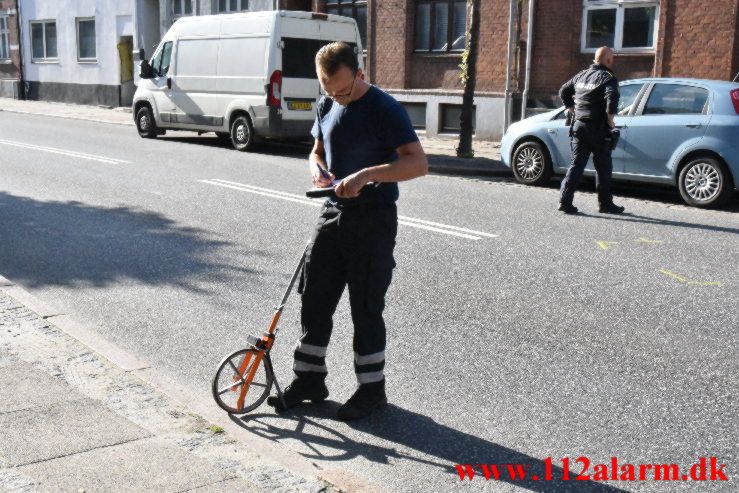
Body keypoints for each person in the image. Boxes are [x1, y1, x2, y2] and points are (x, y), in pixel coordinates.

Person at [266, 42, 428, 420]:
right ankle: (309, 381)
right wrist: (316, 167)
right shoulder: (326, 103)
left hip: (373, 219)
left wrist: (367, 174)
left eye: (342, 89)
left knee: (365, 307)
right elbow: (317, 150)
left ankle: (372, 390)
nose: (336, 96)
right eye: (327, 88)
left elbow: (418, 163)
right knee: (315, 299)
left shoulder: (384, 109)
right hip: (332, 212)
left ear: (359, 73)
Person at [558, 46, 625, 215]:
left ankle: (565, 201)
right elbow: (612, 97)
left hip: (579, 126)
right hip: (598, 128)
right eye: (612, 59)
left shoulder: (582, 75)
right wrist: (610, 120)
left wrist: (572, 108)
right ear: (609, 61)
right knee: (603, 167)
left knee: (576, 165)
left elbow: (563, 91)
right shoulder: (608, 77)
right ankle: (605, 204)